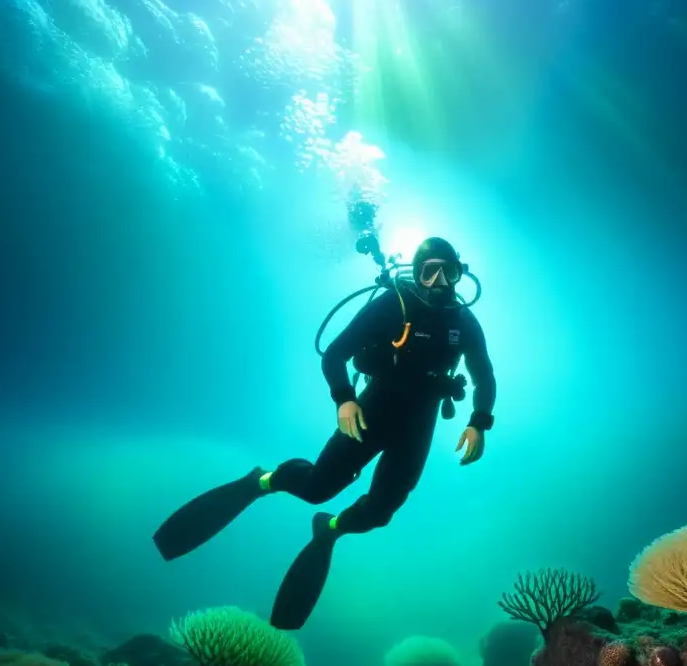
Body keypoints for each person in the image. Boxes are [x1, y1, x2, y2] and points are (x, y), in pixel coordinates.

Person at [152, 236, 497, 629]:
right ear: (415, 275)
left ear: (459, 274)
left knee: (380, 512)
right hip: (372, 411)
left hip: (419, 425)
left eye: (446, 271)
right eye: (428, 271)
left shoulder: (464, 322)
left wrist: (478, 422)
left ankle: (330, 528)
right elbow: (335, 354)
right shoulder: (393, 305)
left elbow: (484, 374)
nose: (437, 281)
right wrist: (344, 398)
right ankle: (263, 481)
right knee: (318, 487)